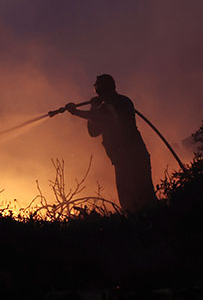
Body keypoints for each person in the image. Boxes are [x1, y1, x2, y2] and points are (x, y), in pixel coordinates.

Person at [65, 74, 156, 212]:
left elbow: (106, 117)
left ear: (107, 90)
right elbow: (93, 132)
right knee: (127, 200)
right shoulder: (101, 109)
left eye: (99, 90)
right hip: (120, 160)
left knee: (144, 195)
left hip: (135, 157)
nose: (98, 93)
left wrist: (77, 112)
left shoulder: (123, 103)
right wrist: (92, 109)